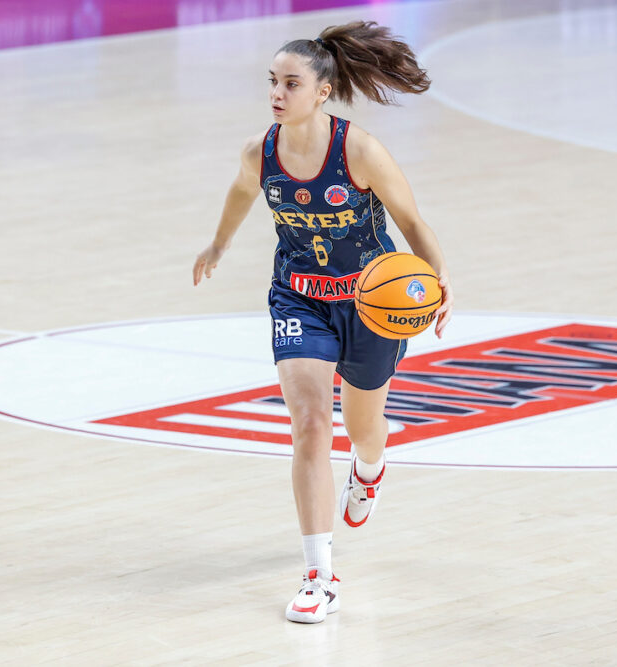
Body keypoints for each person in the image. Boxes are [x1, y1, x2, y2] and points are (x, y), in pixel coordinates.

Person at [193, 21, 453, 623]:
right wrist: (218, 246)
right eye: (272, 82)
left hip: (370, 302)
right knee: (310, 422)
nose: (277, 94)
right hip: (298, 297)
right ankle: (319, 573)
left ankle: (370, 468)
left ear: (323, 92)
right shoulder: (261, 150)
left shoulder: (358, 150)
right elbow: (241, 191)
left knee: (365, 428)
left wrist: (440, 281)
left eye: (290, 83)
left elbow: (412, 224)